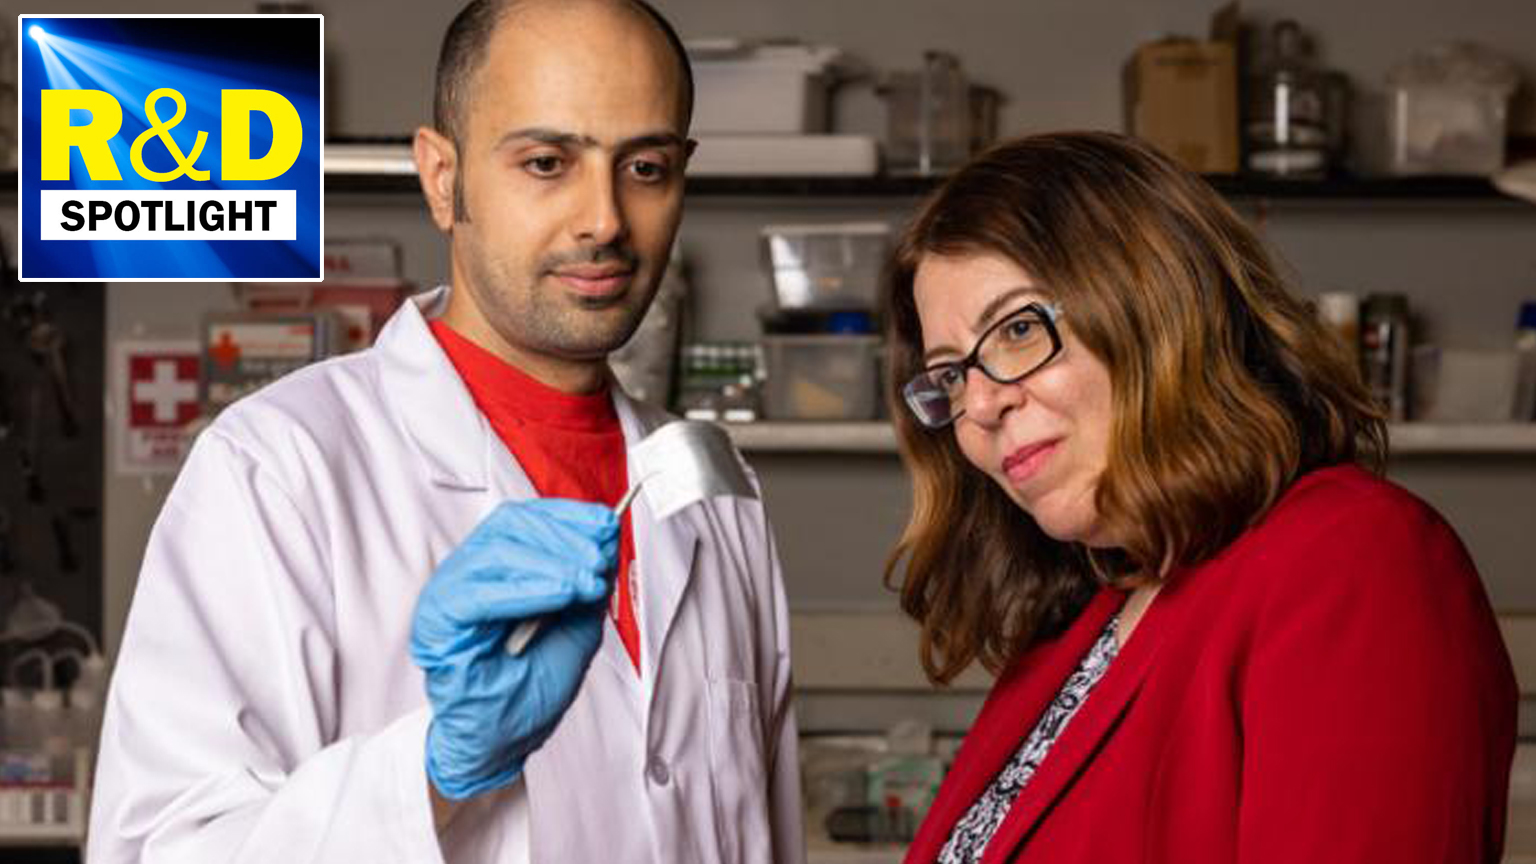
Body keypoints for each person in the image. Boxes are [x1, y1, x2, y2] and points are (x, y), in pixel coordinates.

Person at [88, 2, 804, 863]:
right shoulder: (277, 471)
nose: (605, 219)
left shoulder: (714, 493)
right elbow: (163, 849)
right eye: (547, 162)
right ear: (440, 177)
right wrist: (433, 770)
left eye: (645, 167)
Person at [883, 132, 1516, 864]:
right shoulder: (1094, 608)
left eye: (1019, 329)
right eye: (952, 375)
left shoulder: (1357, 560)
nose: (984, 403)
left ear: (1156, 307)